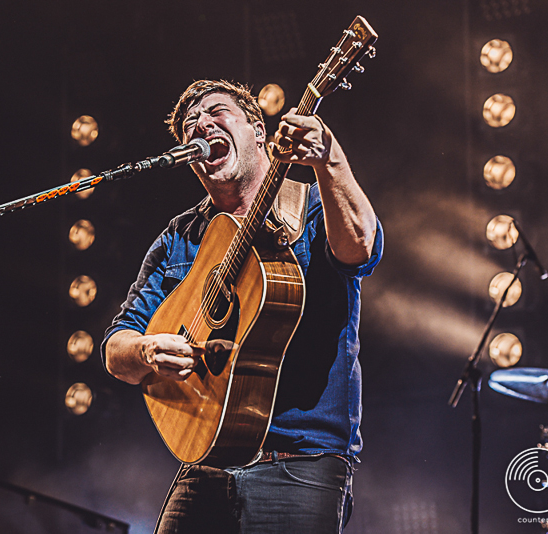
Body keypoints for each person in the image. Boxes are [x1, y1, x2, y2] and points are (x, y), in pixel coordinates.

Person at [101, 79, 383, 534]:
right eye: (190, 125)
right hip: (205, 459)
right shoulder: (181, 237)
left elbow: (360, 248)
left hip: (300, 460)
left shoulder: (312, 205)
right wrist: (146, 351)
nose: (201, 124)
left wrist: (329, 158)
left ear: (257, 128)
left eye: (216, 112)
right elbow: (118, 348)